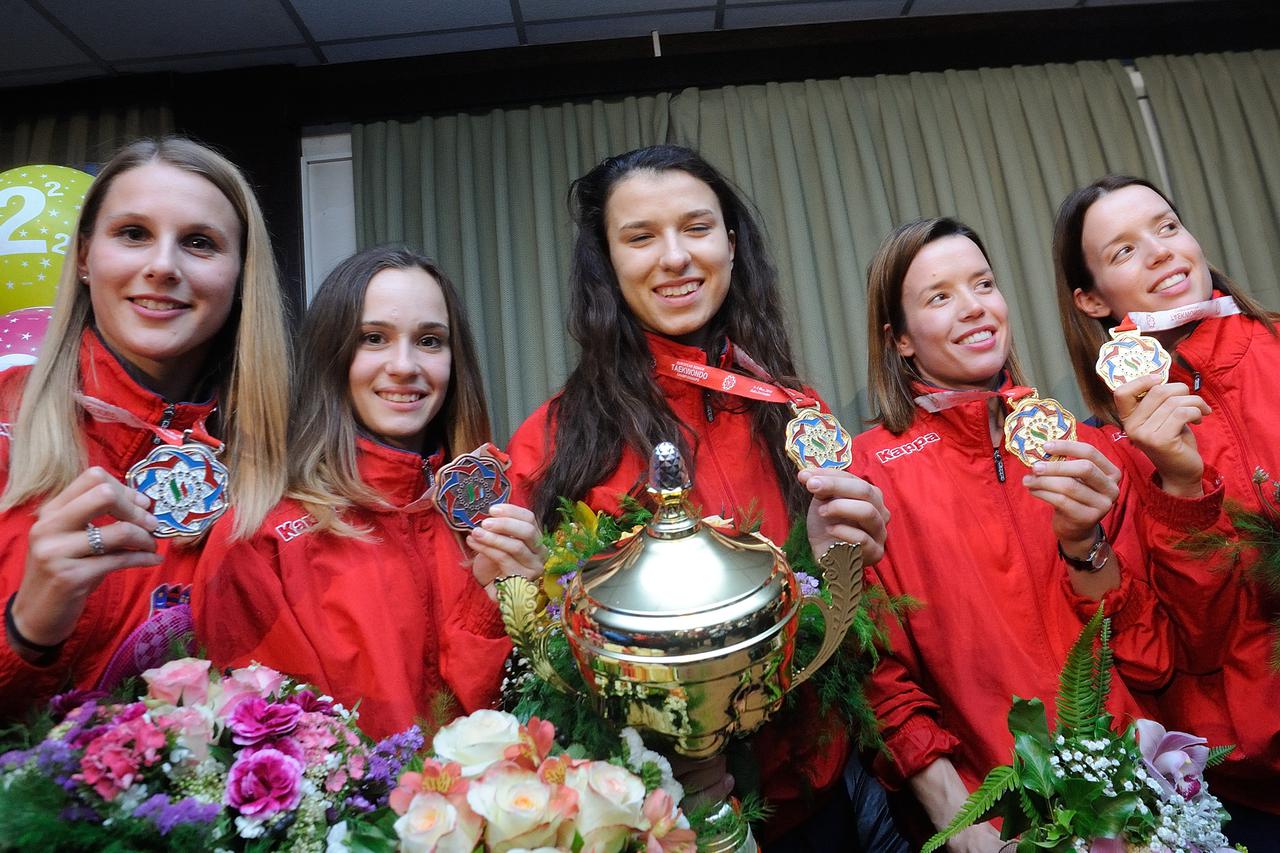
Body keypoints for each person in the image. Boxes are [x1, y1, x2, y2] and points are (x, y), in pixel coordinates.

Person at [505, 144, 902, 850]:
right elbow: (545, 659)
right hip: (656, 822)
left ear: (731, 241)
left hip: (813, 806)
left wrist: (846, 560)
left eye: (696, 227)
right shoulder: (555, 439)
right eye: (640, 236)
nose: (675, 257)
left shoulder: (797, 413)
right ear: (607, 261)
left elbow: (860, 629)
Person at [854, 216, 1208, 850]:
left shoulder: (1086, 449)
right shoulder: (869, 471)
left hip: (1139, 809)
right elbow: (874, 671)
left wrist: (1084, 545)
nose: (974, 309)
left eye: (983, 284)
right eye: (940, 297)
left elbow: (1149, 658)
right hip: (995, 824)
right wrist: (956, 817)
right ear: (901, 339)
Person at [195, 246, 544, 739]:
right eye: (373, 338)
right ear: (330, 355)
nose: (404, 366)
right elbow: (271, 752)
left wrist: (506, 601)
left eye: (429, 340)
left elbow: (520, 719)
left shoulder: (497, 514)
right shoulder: (262, 535)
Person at [0, 137, 290, 716]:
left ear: (240, 274)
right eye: (133, 233)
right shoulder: (6, 432)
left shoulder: (294, 459)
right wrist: (28, 627)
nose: (162, 266)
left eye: (199, 243)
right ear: (84, 258)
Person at [1053, 175, 1280, 840]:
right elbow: (1170, 654)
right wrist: (1180, 488)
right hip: (1257, 784)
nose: (1159, 251)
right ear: (1091, 298)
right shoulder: (1104, 450)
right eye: (1123, 251)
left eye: (1166, 226)